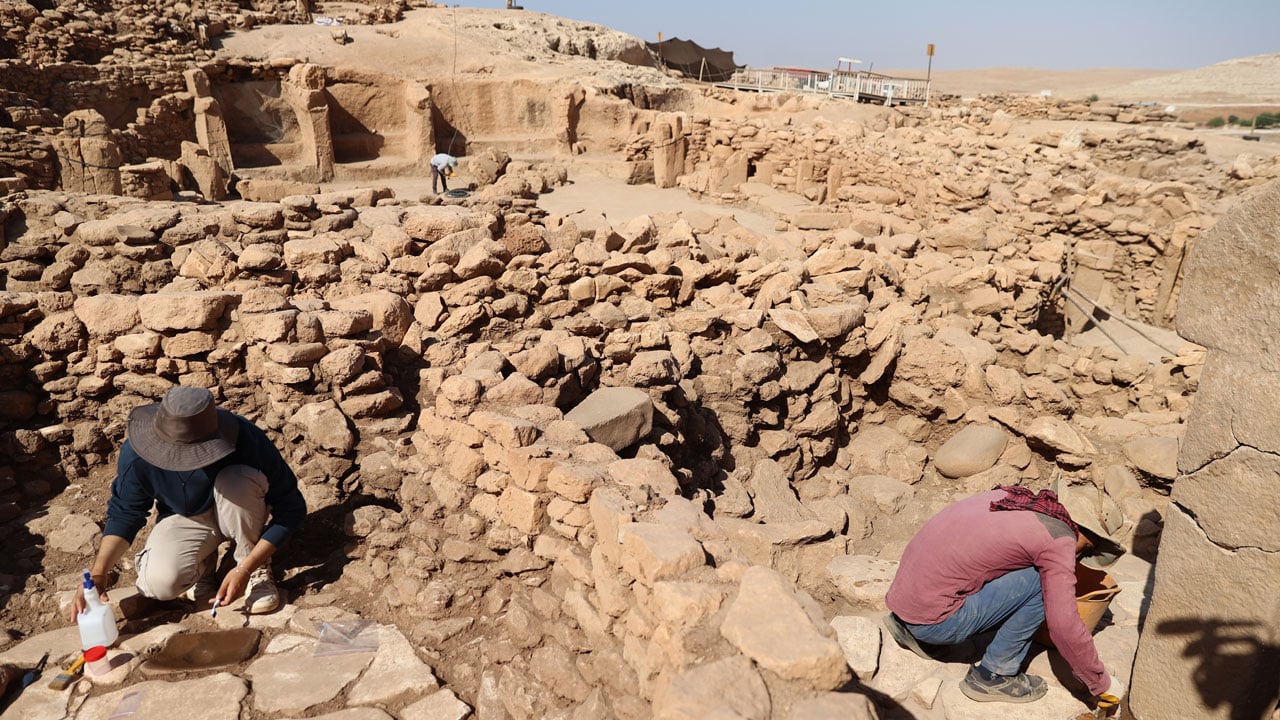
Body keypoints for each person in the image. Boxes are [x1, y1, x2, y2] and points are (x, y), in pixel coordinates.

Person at [69, 387, 306, 620]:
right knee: (158, 585)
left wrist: (246, 567)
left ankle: (257, 569)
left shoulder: (247, 438)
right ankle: (203, 566)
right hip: (186, 517)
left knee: (236, 481)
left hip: (241, 506)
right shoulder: (136, 455)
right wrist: (99, 573)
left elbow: (291, 508)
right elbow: (125, 515)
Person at [884, 483, 1127, 706]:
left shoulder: (1011, 498)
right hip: (933, 624)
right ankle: (995, 674)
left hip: (905, 604)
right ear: (1087, 532)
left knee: (1028, 567)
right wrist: (1101, 682)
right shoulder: (1059, 538)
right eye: (1086, 549)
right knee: (1043, 582)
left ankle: (907, 629)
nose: (1078, 557)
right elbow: (1063, 625)